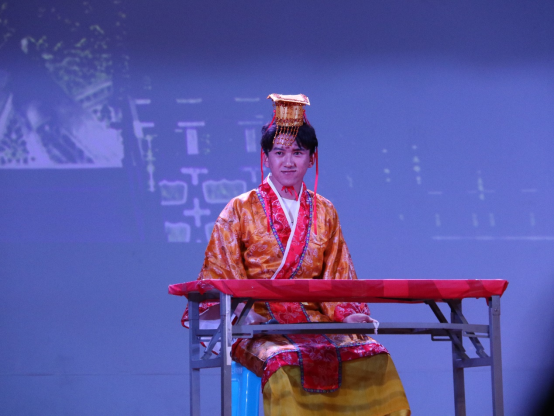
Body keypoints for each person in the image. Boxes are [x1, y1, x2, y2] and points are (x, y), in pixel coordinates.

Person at [188, 94, 410, 416]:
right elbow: (221, 271)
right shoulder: (239, 208)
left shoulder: (325, 211)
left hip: (315, 318)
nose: (288, 161)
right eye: (279, 153)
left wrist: (346, 313)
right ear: (266, 158)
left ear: (311, 158)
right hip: (259, 322)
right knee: (283, 360)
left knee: (373, 354)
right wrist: (241, 312)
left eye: (298, 152)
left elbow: (337, 272)